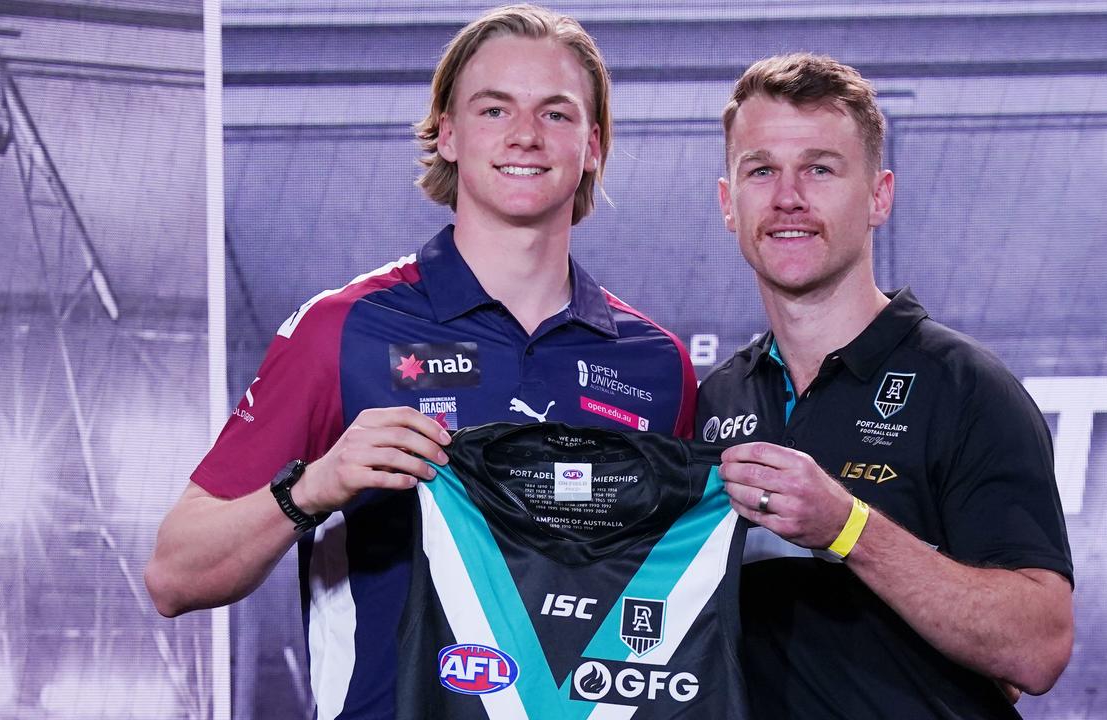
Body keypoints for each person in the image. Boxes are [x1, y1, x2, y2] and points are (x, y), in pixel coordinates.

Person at [145, 6, 696, 719]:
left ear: (593, 145)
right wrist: (315, 487)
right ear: (448, 134)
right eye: (494, 109)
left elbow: (671, 599)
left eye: (556, 114)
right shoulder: (341, 329)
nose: (526, 135)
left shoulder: (656, 364)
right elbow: (173, 577)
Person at [696, 53, 1074, 719]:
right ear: (729, 203)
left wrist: (848, 529)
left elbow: (1035, 650)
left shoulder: (965, 387)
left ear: (879, 195)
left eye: (820, 168)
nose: (788, 197)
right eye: (761, 170)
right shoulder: (715, 401)